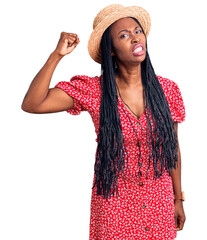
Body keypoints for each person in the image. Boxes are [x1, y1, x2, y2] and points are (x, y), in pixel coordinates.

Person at [21, 4, 186, 240]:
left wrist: (177, 198)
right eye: (124, 35)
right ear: (110, 50)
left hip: (158, 201)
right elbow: (33, 104)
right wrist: (56, 55)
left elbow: (173, 150)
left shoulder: (168, 90)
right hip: (114, 202)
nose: (135, 38)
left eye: (137, 31)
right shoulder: (94, 91)